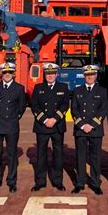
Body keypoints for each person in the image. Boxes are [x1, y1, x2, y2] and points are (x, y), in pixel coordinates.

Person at [0, 62, 26, 193]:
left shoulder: (19, 88)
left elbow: (22, 107)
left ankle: (11, 181)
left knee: (12, 154)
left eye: (10, 72)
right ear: (1, 74)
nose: (7, 74)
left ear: (14, 74)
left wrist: (13, 117)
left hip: (11, 124)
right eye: (5, 72)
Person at [30, 63, 69, 191]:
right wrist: (45, 119)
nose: (50, 76)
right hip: (42, 125)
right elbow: (34, 105)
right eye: (48, 74)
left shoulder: (63, 87)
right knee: (41, 154)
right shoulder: (38, 87)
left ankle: (57, 181)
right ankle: (40, 181)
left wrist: (54, 119)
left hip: (57, 126)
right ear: (45, 75)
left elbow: (65, 105)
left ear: (56, 74)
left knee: (58, 154)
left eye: (52, 74)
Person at [71, 65, 108, 195]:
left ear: (96, 76)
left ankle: (95, 183)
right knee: (80, 157)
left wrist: (92, 124)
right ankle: (80, 182)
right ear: (84, 76)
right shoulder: (77, 90)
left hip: (95, 129)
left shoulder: (102, 91)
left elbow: (104, 109)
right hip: (80, 129)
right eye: (87, 75)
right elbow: (74, 109)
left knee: (95, 157)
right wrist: (82, 125)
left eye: (92, 75)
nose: (90, 77)